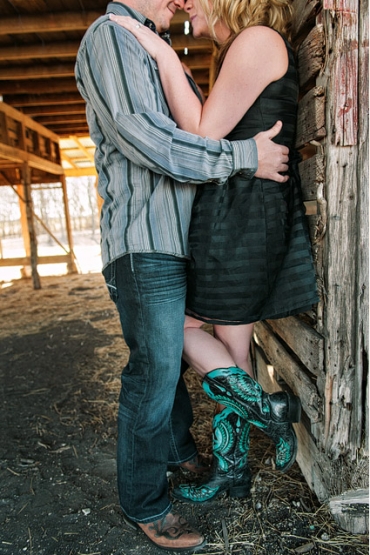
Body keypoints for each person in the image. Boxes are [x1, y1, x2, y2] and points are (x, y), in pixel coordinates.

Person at [75, 0, 292, 550]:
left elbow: (198, 127)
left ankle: (183, 456)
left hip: (177, 239)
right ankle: (146, 503)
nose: (182, 0)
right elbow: (150, 140)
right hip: (144, 240)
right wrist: (242, 157)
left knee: (166, 365)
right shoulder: (113, 37)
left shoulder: (153, 46)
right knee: (154, 372)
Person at [110, 0, 318, 505]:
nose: (182, 4)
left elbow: (202, 133)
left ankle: (266, 411)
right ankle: (234, 472)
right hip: (243, 212)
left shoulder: (257, 42)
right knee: (235, 352)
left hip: (240, 220)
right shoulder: (243, 49)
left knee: (174, 328)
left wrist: (162, 56)